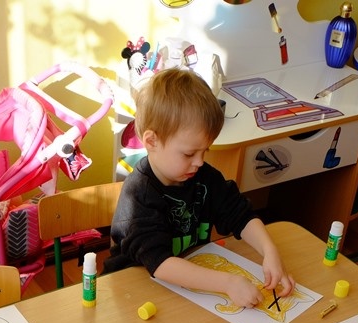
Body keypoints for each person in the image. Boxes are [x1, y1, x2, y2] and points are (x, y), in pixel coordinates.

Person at [105, 67, 295, 307]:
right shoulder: (139, 193)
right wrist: (227, 283)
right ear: (152, 141)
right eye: (189, 153)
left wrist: (269, 251)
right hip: (132, 292)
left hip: (184, 286)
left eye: (205, 150)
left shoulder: (204, 177)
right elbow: (160, 263)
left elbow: (240, 214)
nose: (199, 161)